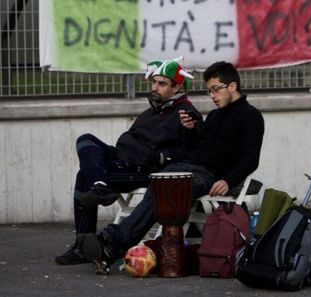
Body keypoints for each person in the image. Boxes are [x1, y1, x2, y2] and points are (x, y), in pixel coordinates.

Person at [80, 61, 265, 275]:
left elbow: (251, 158)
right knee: (158, 186)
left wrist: (228, 181)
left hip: (209, 176)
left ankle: (110, 241)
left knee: (163, 191)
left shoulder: (251, 117)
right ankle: (110, 246)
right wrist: (191, 129)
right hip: (185, 166)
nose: (212, 96)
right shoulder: (214, 116)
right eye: (209, 91)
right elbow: (198, 146)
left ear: (232, 86)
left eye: (216, 90)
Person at [55, 58, 201, 265]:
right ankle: (100, 185)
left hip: (141, 168)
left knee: (84, 176)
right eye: (154, 82)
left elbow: (194, 139)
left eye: (161, 84)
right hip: (122, 157)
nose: (155, 87)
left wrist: (191, 128)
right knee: (85, 140)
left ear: (177, 87)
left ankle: (82, 243)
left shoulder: (185, 112)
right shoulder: (154, 110)